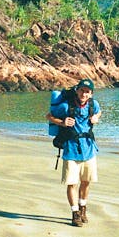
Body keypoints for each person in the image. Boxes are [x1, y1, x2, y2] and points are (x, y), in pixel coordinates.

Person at [46, 78, 101, 227]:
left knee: (86, 182)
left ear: (91, 94)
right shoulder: (65, 106)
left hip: (89, 149)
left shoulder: (93, 104)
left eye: (87, 92)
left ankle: (83, 208)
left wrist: (96, 117)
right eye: (82, 90)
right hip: (71, 150)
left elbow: (99, 112)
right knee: (72, 183)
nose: (84, 94)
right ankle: (75, 212)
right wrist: (61, 123)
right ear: (77, 90)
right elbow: (49, 116)